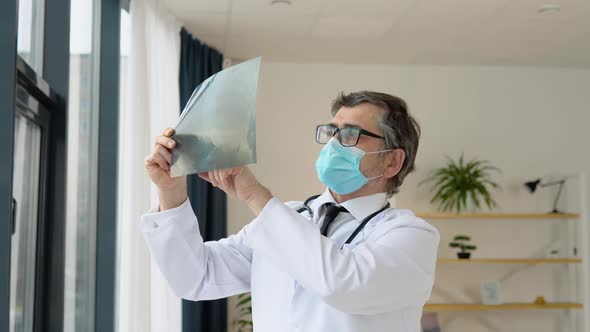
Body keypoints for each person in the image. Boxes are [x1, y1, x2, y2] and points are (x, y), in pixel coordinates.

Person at [141, 91, 439, 332]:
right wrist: (170, 191)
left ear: (391, 161)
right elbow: (196, 277)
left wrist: (255, 195)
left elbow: (343, 284)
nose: (333, 143)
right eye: (331, 132)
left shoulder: (411, 237)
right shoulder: (289, 216)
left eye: (350, 134)